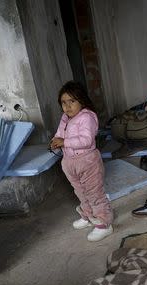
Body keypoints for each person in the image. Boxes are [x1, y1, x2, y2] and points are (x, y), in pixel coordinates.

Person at [50, 81, 114, 242]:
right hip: (69, 161)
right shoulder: (65, 117)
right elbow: (59, 134)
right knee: (80, 191)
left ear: (82, 101)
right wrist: (55, 142)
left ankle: (104, 224)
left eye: (72, 101)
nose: (68, 106)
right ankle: (88, 216)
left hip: (87, 161)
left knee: (94, 193)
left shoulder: (87, 117)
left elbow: (86, 140)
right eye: (64, 102)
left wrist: (64, 142)